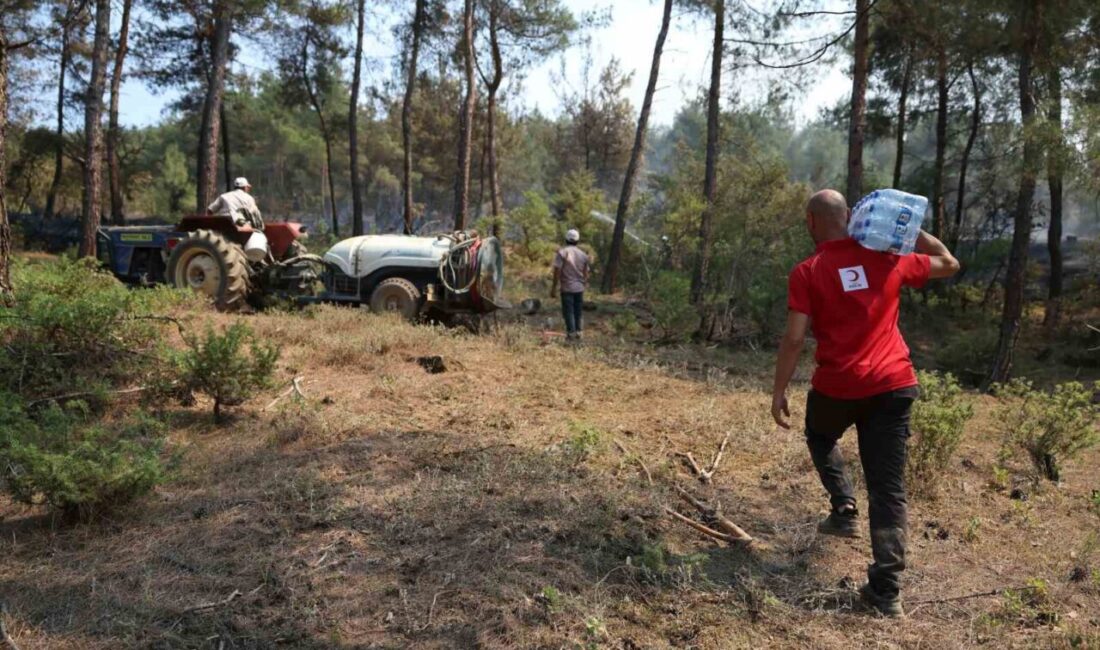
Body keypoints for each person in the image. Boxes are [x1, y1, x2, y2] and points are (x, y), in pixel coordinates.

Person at [770, 189, 959, 618]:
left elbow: (795, 338)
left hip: (838, 387)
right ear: (851, 217)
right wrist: (909, 227)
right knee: (887, 488)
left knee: (820, 434)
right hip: (893, 387)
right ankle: (886, 592)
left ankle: (844, 507)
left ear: (811, 222)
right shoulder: (888, 258)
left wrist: (779, 390)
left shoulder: (807, 271)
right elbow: (949, 263)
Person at [550, 228, 590, 340]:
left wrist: (554, 288)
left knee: (569, 312)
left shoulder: (562, 253)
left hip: (567, 288)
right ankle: (579, 333)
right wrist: (584, 284)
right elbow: (586, 273)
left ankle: (571, 334)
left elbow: (557, 270)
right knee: (578, 311)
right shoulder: (583, 255)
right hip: (579, 288)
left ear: (566, 239)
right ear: (577, 241)